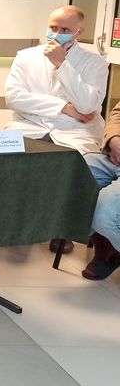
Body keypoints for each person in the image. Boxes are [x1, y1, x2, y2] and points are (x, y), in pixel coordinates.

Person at [5, 4, 108, 254]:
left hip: (75, 132)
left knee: (78, 169)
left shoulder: (95, 63)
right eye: (53, 27)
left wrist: (62, 65)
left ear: (79, 32)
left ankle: (63, 229)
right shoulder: (26, 57)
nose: (56, 33)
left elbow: (88, 105)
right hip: (30, 127)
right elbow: (14, 98)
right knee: (3, 161)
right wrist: (65, 108)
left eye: (65, 30)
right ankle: (12, 223)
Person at [82, 102, 120, 280]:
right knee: (76, 176)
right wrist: (114, 140)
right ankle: (106, 246)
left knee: (103, 212)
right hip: (114, 160)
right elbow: (118, 113)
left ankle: (111, 247)